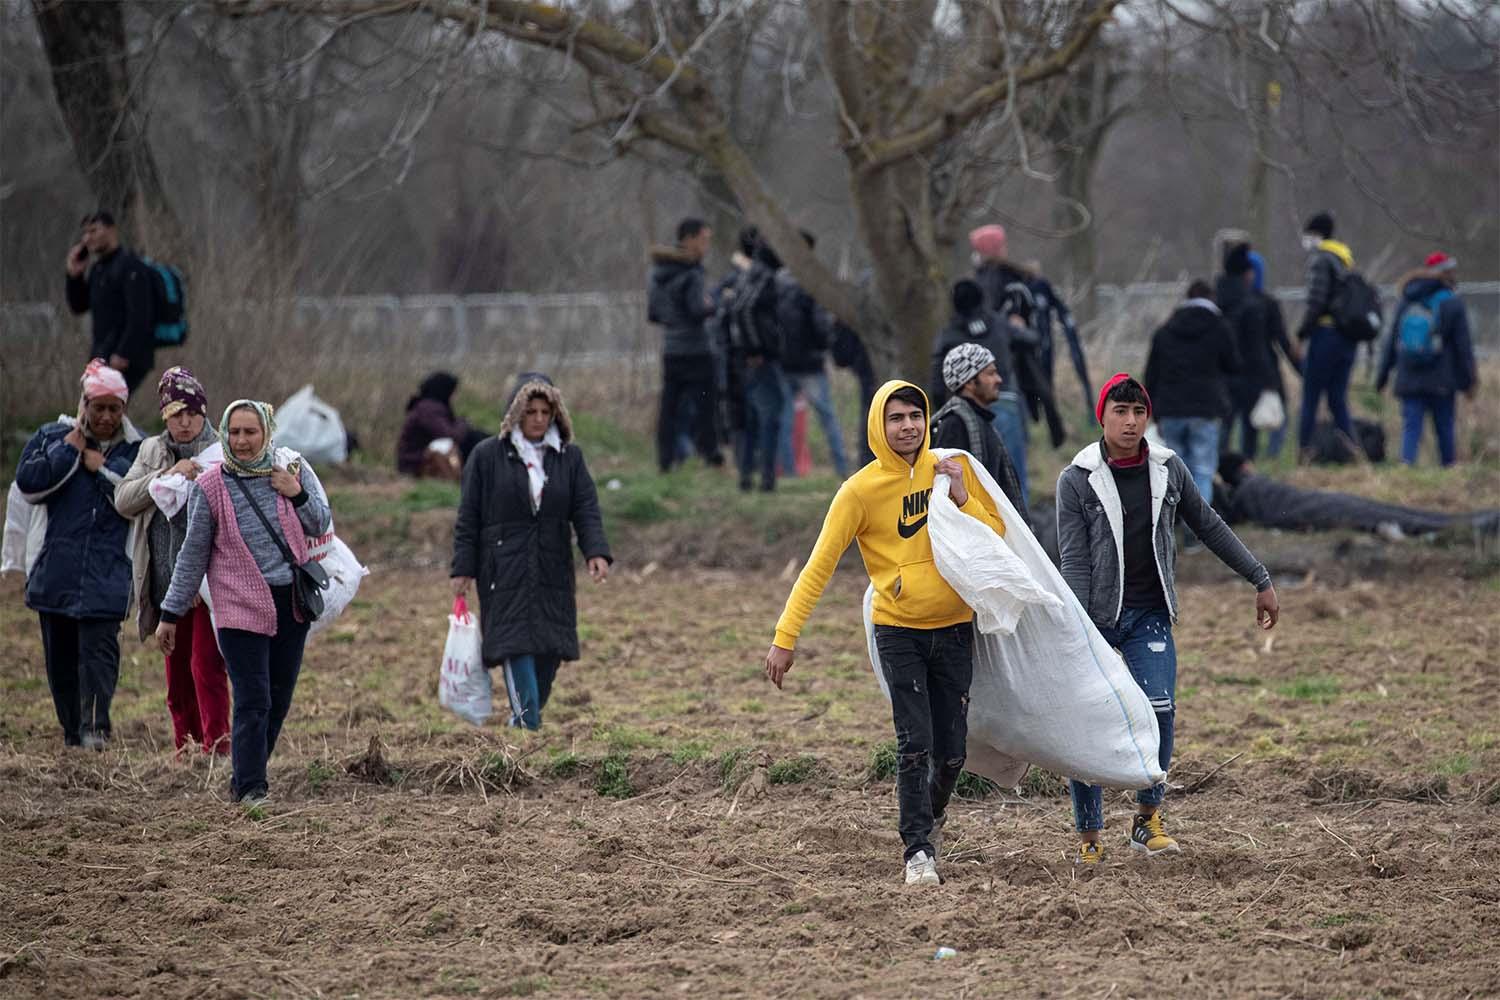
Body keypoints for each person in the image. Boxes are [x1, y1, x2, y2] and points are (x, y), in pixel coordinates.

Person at [764, 381, 1007, 887]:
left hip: (956, 629)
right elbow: (818, 568)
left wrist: (963, 496)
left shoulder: (949, 468)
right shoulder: (859, 491)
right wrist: (785, 638)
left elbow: (997, 536)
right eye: (896, 418)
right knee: (913, 742)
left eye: (915, 416)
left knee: (954, 750)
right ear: (880, 424)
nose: (908, 426)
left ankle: (933, 819)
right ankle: (917, 851)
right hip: (899, 632)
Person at [1056, 375, 1278, 863]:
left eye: (1138, 412)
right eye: (1121, 411)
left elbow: (1209, 524)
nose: (1130, 421)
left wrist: (1259, 578)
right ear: (1103, 416)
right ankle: (1089, 838)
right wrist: (1075, 626)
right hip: (1093, 619)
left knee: (1159, 710)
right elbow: (1072, 558)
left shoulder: (1167, 469)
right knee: (1088, 723)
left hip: (1149, 614)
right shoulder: (1077, 477)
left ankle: (1147, 819)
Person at [156, 400, 332, 805]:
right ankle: (253, 788)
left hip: (291, 604)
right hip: (239, 608)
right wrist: (171, 613)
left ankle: (244, 775)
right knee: (254, 699)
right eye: (234, 432)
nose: (242, 440)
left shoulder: (289, 471)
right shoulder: (211, 487)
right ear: (224, 434)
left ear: (267, 433)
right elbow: (192, 555)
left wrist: (298, 493)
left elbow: (321, 523)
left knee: (279, 699)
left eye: (250, 432)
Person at [450, 378, 612, 730]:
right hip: (502, 569)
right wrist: (463, 568)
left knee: (550, 651)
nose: (538, 419)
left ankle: (521, 722)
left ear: (556, 414)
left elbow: (585, 508)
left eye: (545, 412)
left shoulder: (569, 458)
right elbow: (468, 517)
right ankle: (527, 727)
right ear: (516, 414)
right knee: (515, 645)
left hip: (552, 566)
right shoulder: (487, 456)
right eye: (530, 412)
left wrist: (595, 551)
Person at [16, 360, 143, 750]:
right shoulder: (50, 437)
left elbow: (135, 497)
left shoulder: (137, 449)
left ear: (123, 410)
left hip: (108, 574)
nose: (105, 417)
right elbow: (29, 483)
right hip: (57, 571)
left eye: (114, 409)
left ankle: (95, 730)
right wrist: (67, 451)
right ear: (83, 404)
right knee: (61, 660)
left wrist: (101, 469)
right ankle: (72, 732)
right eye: (98, 407)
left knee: (99, 657)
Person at [114, 367, 229, 755]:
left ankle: (218, 750)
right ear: (164, 416)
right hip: (164, 587)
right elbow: (124, 499)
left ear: (203, 411)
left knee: (206, 669)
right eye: (175, 414)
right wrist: (165, 475)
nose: (184, 422)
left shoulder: (221, 452)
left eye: (191, 413)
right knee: (177, 679)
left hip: (207, 589)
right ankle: (187, 750)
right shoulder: (152, 451)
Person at [1144, 279, 1240, 550]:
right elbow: (1234, 365)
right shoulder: (1219, 328)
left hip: (1171, 410)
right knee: (1202, 470)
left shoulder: (1165, 331)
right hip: (1205, 410)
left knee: (1176, 471)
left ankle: (1171, 523)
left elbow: (1152, 374)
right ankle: (1195, 531)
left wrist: (1154, 412)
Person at [1215, 452, 1497, 542]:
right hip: (1322, 505)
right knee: (1394, 514)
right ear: (1243, 467)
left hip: (1319, 507)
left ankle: (1473, 524)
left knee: (1391, 515)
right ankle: (1471, 525)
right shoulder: (1252, 488)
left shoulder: (1246, 493)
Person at [930, 278, 1030, 507]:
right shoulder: (999, 323)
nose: (998, 378)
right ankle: (1021, 526)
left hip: (968, 406)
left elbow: (936, 383)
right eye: (991, 373)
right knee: (1013, 479)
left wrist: (942, 406)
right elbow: (1030, 340)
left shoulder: (948, 334)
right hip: (1006, 404)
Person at [1376, 252, 1478, 467]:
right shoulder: (1452, 303)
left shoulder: (1407, 299)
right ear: (1446, 273)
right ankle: (1448, 468)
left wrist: (1382, 377)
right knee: (1444, 427)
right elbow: (1463, 347)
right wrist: (1469, 382)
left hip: (1409, 376)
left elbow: (1391, 341)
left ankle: (1406, 466)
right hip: (1442, 378)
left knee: (1411, 427)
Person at [648, 218, 722, 473]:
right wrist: (713, 303)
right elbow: (697, 309)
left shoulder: (657, 272)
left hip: (671, 349)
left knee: (669, 409)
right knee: (706, 407)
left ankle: (665, 461)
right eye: (704, 239)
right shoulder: (692, 271)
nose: (706, 245)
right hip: (697, 349)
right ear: (688, 239)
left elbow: (654, 313)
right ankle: (711, 457)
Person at [776, 231, 849, 480]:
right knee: (828, 417)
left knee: (785, 420)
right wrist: (827, 342)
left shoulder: (776, 281)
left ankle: (790, 472)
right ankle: (842, 469)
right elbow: (820, 324)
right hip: (811, 363)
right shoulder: (810, 283)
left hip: (784, 362)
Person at [1217, 244, 1299, 459]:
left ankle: (1220, 463)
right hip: (1252, 376)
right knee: (1252, 426)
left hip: (1223, 376)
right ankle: (1255, 463)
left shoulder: (1216, 301)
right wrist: (1273, 379)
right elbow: (1261, 347)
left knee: (1225, 425)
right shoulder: (1259, 304)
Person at [64, 210, 157, 394]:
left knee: (105, 408)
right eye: (85, 233)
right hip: (103, 353)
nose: (87, 238)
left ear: (112, 230)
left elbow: (140, 316)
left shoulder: (130, 266)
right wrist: (74, 276)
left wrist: (123, 353)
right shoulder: (99, 268)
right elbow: (79, 306)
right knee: (99, 410)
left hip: (127, 356)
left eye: (94, 231)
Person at [930, 343, 1028, 518]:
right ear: (968, 382)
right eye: (990, 373)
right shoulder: (954, 425)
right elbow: (949, 495)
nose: (998, 379)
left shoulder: (981, 421)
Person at [723, 239, 787, 492]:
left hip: (744, 359)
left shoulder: (747, 275)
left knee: (751, 419)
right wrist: (755, 348)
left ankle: (747, 476)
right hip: (760, 359)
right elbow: (745, 310)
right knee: (770, 417)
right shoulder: (766, 278)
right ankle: (767, 479)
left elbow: (735, 310)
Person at [1294, 212, 1358, 454]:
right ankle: (1353, 449)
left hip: (1325, 335)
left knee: (1311, 395)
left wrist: (1302, 334)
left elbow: (1316, 301)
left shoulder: (1321, 260)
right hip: (1346, 337)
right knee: (1337, 398)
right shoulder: (1345, 259)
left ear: (1316, 234)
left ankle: (1304, 450)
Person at [396, 372, 490, 479]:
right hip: (415, 462)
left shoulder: (427, 406)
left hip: (416, 458)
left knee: (476, 438)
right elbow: (450, 435)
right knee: (469, 440)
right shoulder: (428, 410)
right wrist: (463, 424)